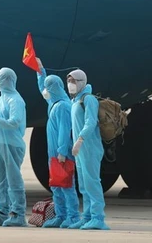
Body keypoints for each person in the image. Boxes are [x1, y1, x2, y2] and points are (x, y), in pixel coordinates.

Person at [36, 58, 80, 228]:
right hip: (53, 152)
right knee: (56, 184)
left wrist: (62, 151)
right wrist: (40, 72)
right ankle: (61, 215)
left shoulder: (62, 106)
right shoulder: (53, 101)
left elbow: (64, 130)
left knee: (66, 184)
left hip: (62, 152)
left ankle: (73, 216)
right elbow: (43, 90)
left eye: (48, 86)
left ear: (53, 88)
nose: (46, 90)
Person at [66, 69, 110, 230]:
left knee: (92, 183)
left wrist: (80, 139)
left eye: (74, 81)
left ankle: (98, 217)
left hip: (89, 147)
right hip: (80, 150)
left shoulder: (88, 99)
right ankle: (87, 216)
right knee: (83, 185)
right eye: (69, 81)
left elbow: (90, 122)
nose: (70, 84)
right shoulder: (74, 101)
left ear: (82, 82)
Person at [0, 67, 27, 227]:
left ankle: (18, 213)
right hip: (1, 143)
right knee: (0, 179)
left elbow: (15, 122)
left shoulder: (15, 99)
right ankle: (2, 211)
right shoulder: (3, 98)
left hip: (12, 144)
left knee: (13, 179)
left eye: (1, 78)